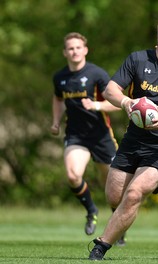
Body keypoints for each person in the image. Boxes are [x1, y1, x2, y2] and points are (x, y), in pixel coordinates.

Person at [88, 16, 158, 260]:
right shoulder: (137, 59)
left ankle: (101, 246)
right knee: (114, 196)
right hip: (133, 140)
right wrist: (126, 102)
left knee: (134, 193)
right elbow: (110, 90)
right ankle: (120, 223)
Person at [51, 32, 121, 239]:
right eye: (70, 48)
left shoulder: (97, 74)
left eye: (78, 47)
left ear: (85, 50)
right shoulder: (60, 77)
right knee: (73, 175)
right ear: (65, 52)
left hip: (101, 136)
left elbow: (118, 102)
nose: (74, 51)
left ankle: (118, 227)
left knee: (113, 188)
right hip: (76, 135)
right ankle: (91, 211)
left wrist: (97, 104)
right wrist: (55, 121)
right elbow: (57, 99)